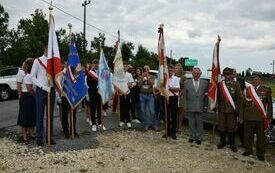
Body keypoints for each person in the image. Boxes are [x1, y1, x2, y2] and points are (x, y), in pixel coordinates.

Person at [242, 72, 273, 161]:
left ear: (260, 80)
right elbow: (243, 104)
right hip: (248, 116)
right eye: (252, 79)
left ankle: (260, 153)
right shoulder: (247, 89)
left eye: (255, 79)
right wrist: (241, 116)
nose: (253, 81)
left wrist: (269, 117)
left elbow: (269, 105)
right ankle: (248, 150)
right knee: (247, 135)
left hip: (260, 117)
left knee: (261, 137)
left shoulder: (266, 90)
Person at [30, 45, 56, 146]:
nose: (52, 52)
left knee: (50, 115)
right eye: (50, 50)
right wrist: (42, 86)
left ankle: (49, 136)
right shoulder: (38, 60)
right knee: (40, 114)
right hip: (41, 90)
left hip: (51, 90)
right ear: (45, 50)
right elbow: (32, 77)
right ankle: (39, 137)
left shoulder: (54, 62)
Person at [216, 67, 242, 152]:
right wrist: (214, 105)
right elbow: (217, 97)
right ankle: (222, 142)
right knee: (222, 127)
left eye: (228, 74)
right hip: (222, 109)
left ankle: (231, 144)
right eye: (225, 74)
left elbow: (239, 99)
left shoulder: (236, 85)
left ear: (231, 75)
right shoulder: (220, 85)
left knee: (232, 128)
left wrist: (237, 110)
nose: (226, 76)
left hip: (232, 110)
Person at [183, 67, 208, 144]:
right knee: (191, 122)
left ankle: (199, 138)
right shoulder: (187, 82)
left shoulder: (205, 83)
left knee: (200, 123)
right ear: (192, 74)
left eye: (197, 73)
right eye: (194, 73)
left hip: (200, 106)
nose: (196, 75)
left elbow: (206, 96)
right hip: (190, 106)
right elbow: (185, 95)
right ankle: (192, 136)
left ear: (200, 74)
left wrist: (206, 106)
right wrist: (185, 106)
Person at [17, 58, 36, 143]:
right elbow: (29, 89)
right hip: (26, 96)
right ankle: (25, 137)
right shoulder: (26, 75)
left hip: (29, 96)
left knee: (32, 115)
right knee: (24, 116)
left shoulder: (31, 74)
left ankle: (31, 134)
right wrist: (35, 95)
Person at [87, 59, 106, 131]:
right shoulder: (90, 73)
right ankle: (94, 124)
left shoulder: (102, 72)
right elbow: (89, 83)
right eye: (94, 63)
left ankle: (100, 123)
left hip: (100, 93)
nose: (96, 65)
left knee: (99, 108)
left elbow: (104, 81)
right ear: (92, 64)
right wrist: (97, 87)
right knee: (93, 108)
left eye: (97, 63)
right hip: (93, 93)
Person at [138, 65, 157, 131]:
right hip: (142, 95)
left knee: (152, 110)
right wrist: (142, 77)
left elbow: (152, 83)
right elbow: (139, 85)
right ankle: (146, 124)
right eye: (144, 69)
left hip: (150, 95)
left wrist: (147, 77)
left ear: (149, 70)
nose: (145, 70)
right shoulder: (140, 76)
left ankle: (154, 124)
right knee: (143, 111)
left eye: (147, 69)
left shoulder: (152, 76)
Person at [164, 65, 180, 139]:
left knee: (173, 116)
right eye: (168, 70)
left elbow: (177, 89)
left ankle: (173, 133)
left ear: (173, 71)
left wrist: (169, 87)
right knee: (165, 116)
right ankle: (167, 131)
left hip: (173, 98)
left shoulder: (176, 79)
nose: (169, 72)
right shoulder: (164, 79)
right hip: (164, 97)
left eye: (171, 70)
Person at [231, 68, 245, 147]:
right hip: (230, 107)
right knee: (231, 125)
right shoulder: (226, 81)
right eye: (231, 73)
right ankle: (231, 141)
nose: (233, 75)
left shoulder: (241, 80)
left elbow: (243, 92)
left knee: (241, 125)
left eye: (234, 73)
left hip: (239, 106)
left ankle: (243, 142)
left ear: (236, 74)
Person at [175, 63, 186, 132]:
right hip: (173, 95)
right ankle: (174, 126)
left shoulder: (183, 77)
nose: (175, 69)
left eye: (176, 68)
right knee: (174, 111)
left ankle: (179, 127)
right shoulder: (172, 76)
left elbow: (185, 87)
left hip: (181, 96)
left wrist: (181, 93)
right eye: (175, 68)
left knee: (181, 112)